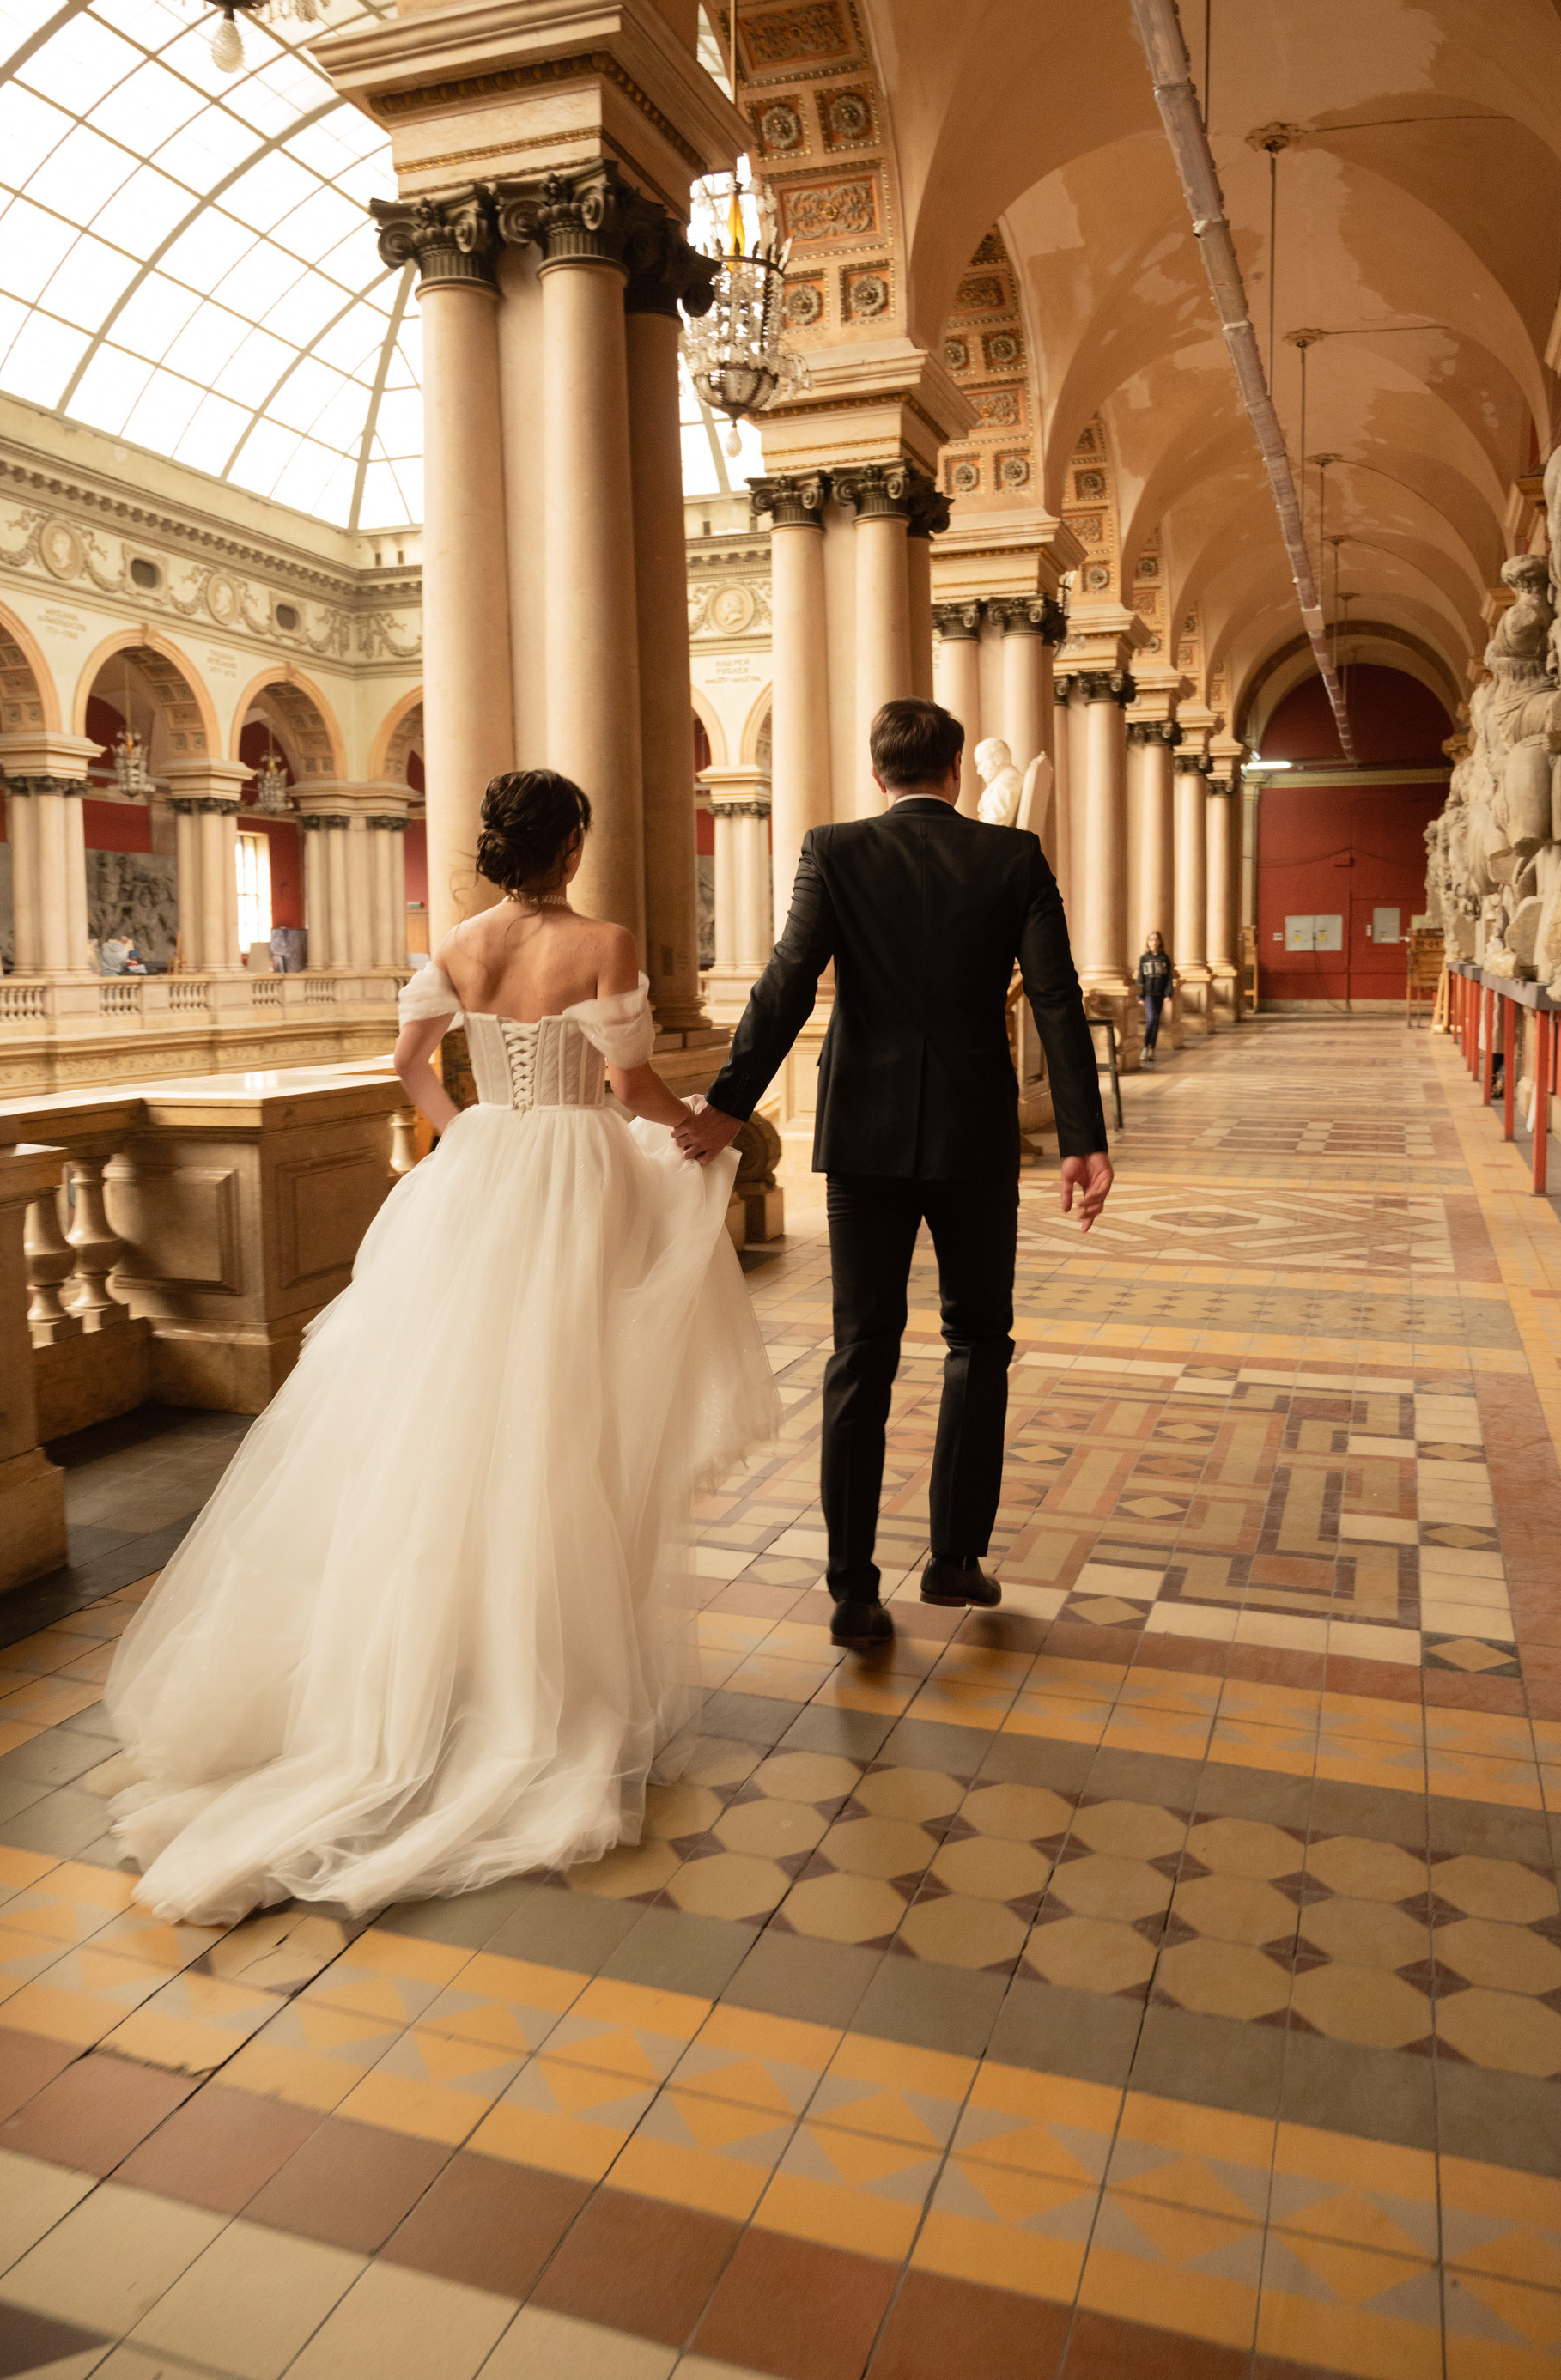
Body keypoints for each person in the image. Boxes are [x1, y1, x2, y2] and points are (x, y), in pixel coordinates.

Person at [106, 770, 778, 1926]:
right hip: (573, 1175)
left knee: (447, 1416)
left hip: (481, 1174)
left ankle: (446, 1662)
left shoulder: (460, 944)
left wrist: (473, 1135)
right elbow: (626, 1083)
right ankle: (535, 1673)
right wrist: (703, 1128)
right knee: (562, 1414)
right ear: (571, 843)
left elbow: (407, 1062)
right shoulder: (604, 942)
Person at [677, 699, 1112, 1650]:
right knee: (978, 1341)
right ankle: (953, 1558)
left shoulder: (833, 850)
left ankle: (851, 1589)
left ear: (877, 773)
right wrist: (1083, 1134)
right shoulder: (1013, 857)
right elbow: (1054, 996)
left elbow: (786, 983)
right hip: (973, 1136)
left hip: (862, 1136)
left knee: (859, 1351)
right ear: (954, 770)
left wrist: (728, 1104)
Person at [1138, 929, 1173, 1065]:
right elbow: (1140, 977)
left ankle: (1152, 1048)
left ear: (1160, 942)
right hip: (1148, 994)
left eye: (1156, 940)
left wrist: (1168, 994)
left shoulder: (1164, 958)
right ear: (1148, 942)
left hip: (1160, 993)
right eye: (1151, 940)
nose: (1153, 942)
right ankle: (1145, 1047)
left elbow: (1169, 978)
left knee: (1157, 1020)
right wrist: (1140, 996)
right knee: (1152, 1018)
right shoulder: (1144, 958)